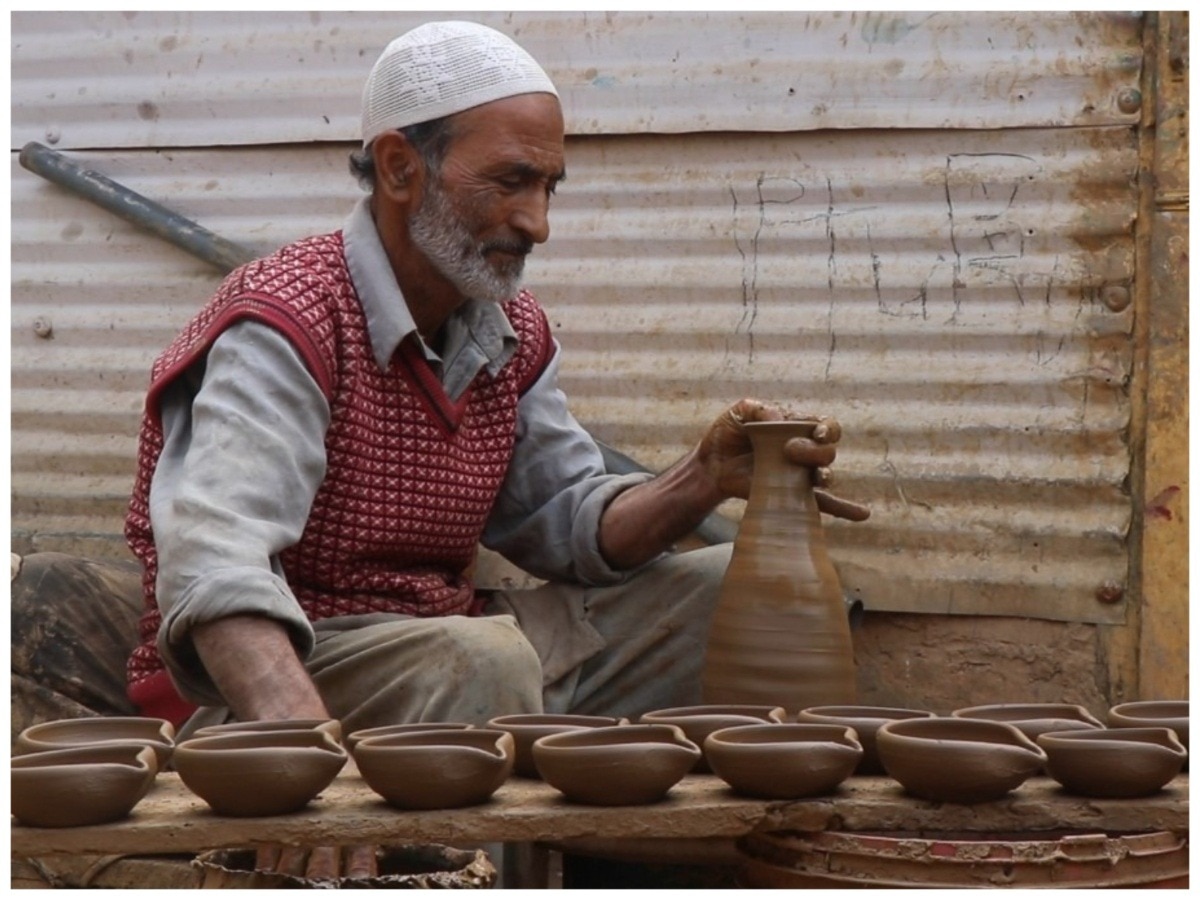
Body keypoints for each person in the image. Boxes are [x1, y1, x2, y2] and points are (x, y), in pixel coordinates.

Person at [11, 20, 867, 881]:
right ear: (398, 168)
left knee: (715, 592)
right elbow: (214, 570)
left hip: (449, 657)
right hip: (271, 694)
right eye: (510, 182)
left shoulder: (505, 329)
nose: (536, 222)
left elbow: (565, 522)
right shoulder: (287, 320)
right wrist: (299, 762)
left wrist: (701, 480)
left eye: (549, 188)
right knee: (483, 662)